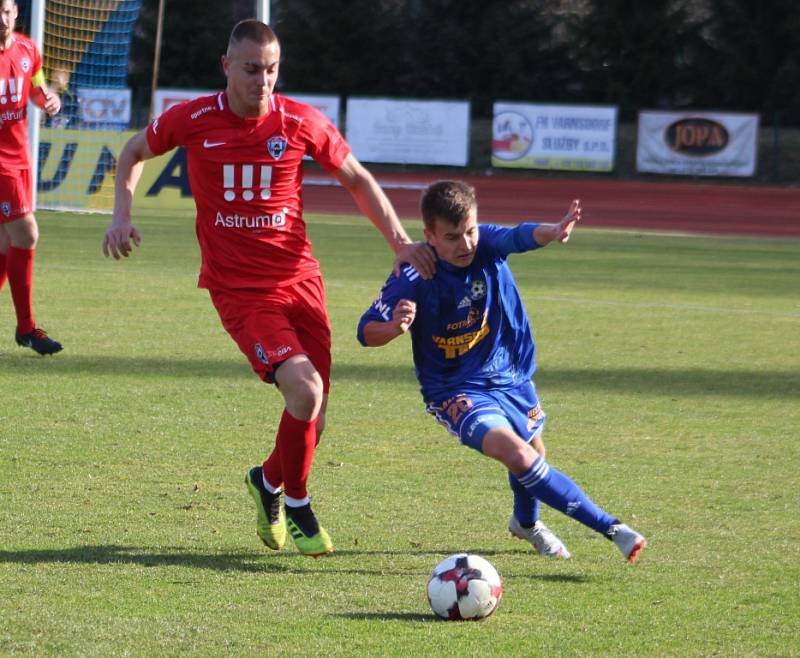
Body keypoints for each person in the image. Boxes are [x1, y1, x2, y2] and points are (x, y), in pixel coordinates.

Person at [102, 20, 434, 558]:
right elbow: (134, 152)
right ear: (226, 65)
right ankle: (298, 504)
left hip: (301, 280)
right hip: (240, 290)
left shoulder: (299, 121)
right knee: (305, 392)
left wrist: (398, 242)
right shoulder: (193, 118)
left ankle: (267, 483)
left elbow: (356, 177)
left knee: (313, 416)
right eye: (252, 68)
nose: (263, 80)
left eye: (272, 69)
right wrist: (121, 215)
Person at [357, 180, 647, 562]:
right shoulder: (415, 273)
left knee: (533, 451)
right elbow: (365, 331)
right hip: (454, 388)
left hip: (509, 373)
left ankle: (525, 524)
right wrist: (394, 327)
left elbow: (519, 236)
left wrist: (553, 231)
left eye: (471, 231)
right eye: (452, 237)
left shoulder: (486, 245)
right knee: (518, 453)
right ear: (429, 236)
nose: (466, 244)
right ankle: (613, 529)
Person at [0, 0, 63, 355]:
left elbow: (36, 87)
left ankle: (25, 328)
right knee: (27, 232)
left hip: (19, 158)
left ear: (16, 13)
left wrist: (48, 100)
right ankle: (26, 328)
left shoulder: (27, 49)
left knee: (5, 244)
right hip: (0, 165)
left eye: (6, 11)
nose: (1, 19)